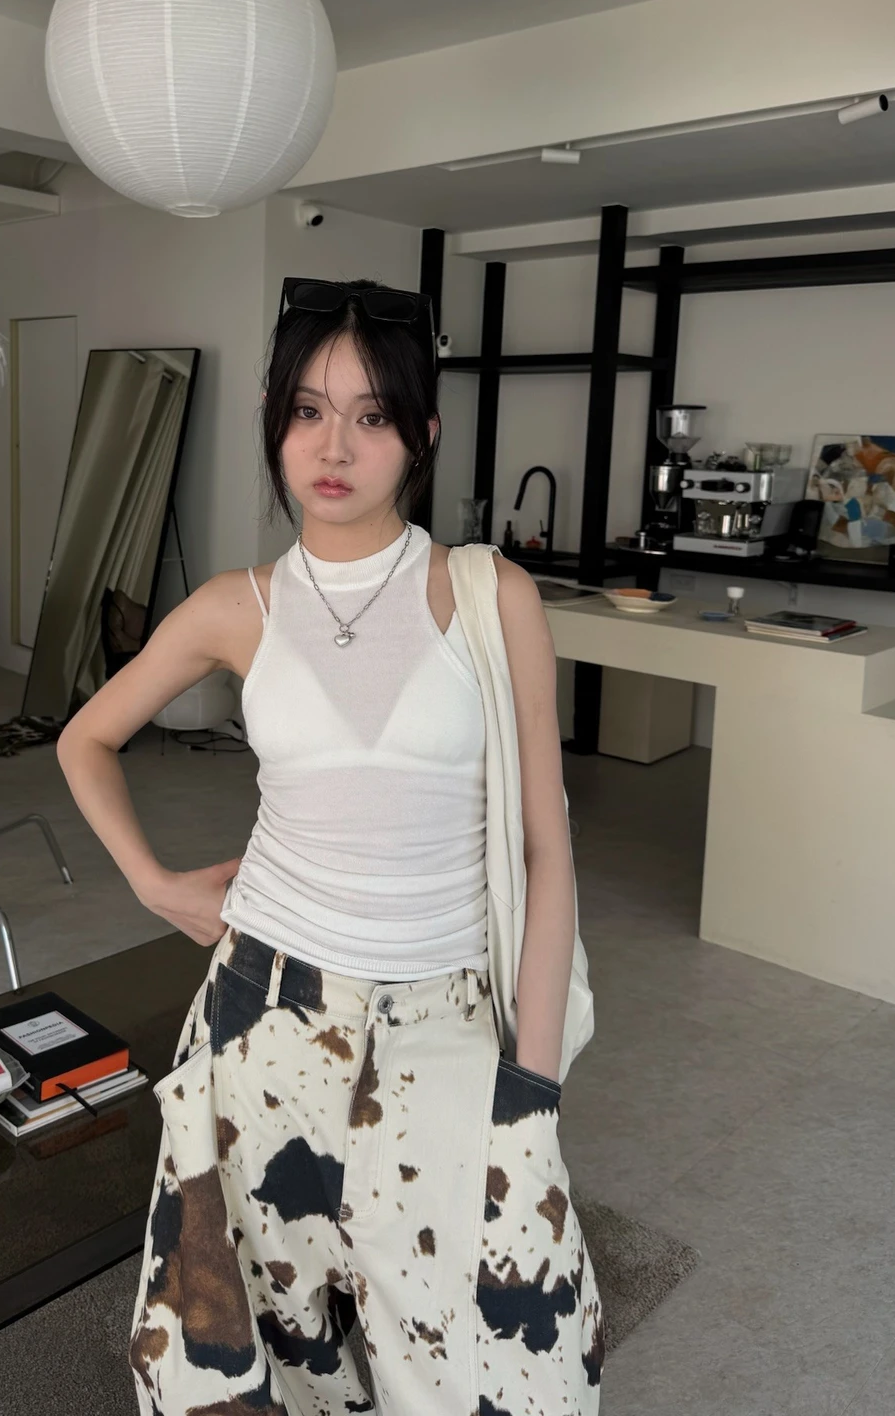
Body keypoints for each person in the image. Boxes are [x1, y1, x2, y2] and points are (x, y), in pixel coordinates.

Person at [56, 277, 604, 1415]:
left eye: (372, 415)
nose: (335, 446)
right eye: (308, 411)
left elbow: (548, 850)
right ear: (274, 422)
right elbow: (84, 738)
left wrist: (532, 1088)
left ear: (422, 433)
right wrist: (156, 885)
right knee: (256, 1351)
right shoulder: (235, 606)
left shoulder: (489, 594)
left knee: (503, 1368)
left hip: (449, 1022)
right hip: (265, 1016)